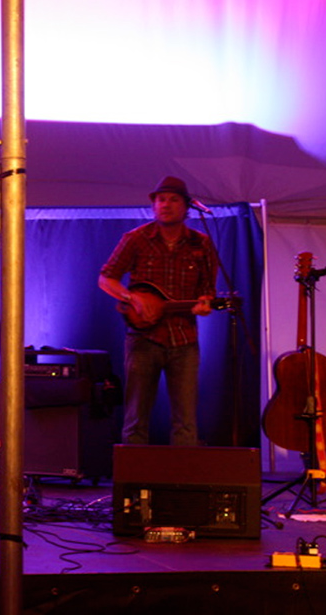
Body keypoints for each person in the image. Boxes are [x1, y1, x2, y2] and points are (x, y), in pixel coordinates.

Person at [98, 176, 219, 446]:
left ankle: (180, 482)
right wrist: (133, 297)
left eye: (173, 199)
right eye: (160, 199)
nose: (165, 204)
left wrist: (205, 303)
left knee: (185, 421)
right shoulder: (136, 239)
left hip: (185, 340)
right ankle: (133, 482)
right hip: (143, 340)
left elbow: (207, 290)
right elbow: (106, 278)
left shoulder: (202, 244)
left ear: (187, 207)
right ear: (153, 205)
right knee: (135, 418)